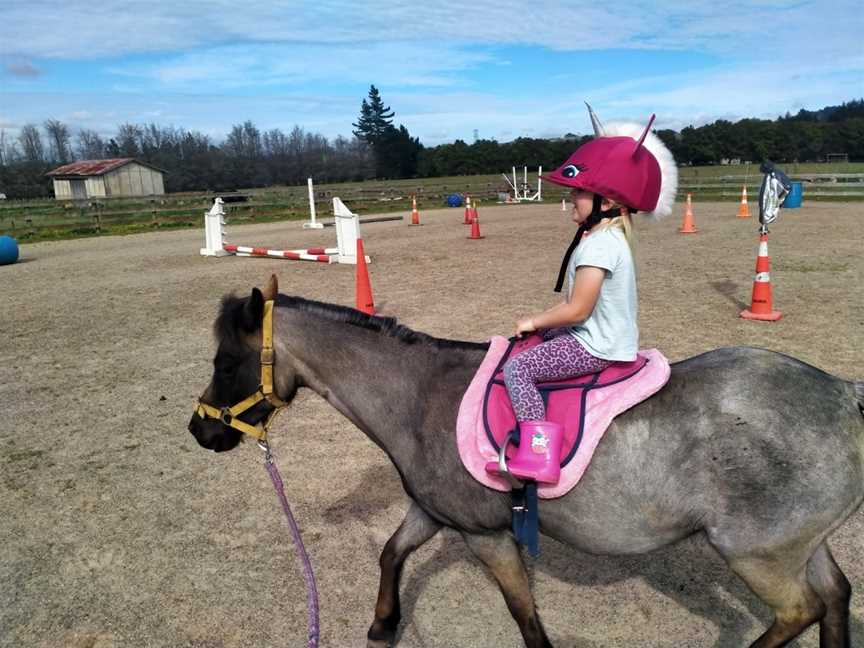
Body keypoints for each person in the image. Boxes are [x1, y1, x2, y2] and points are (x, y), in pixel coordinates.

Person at [501, 104, 678, 485]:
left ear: (608, 202)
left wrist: (533, 320)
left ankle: (539, 454)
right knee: (541, 337)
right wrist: (542, 325)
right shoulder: (608, 238)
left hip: (595, 346)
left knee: (519, 368)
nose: (573, 199)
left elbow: (578, 309)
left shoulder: (598, 246)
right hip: (605, 337)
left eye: (581, 191)